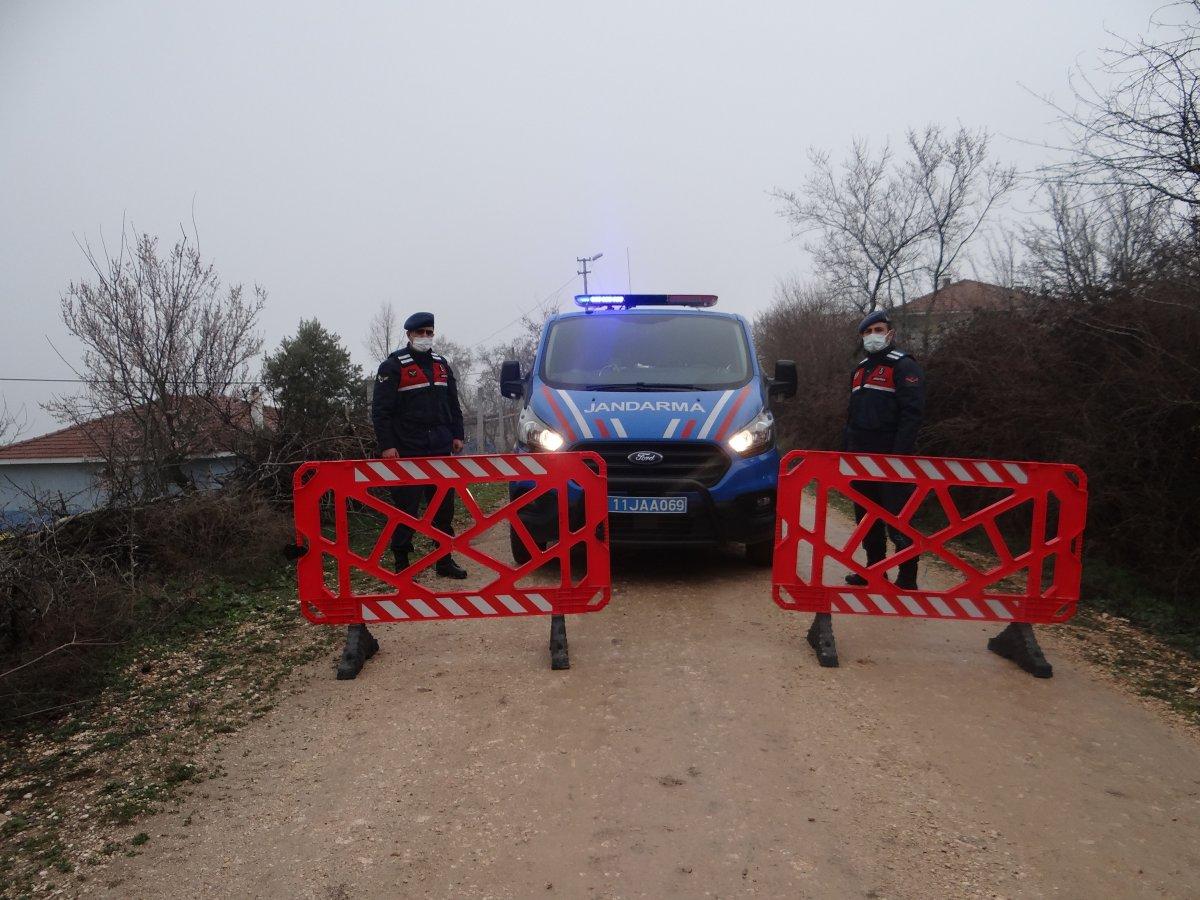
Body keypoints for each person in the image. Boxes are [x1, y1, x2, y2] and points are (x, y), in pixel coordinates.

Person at [336, 311, 468, 680]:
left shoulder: (442, 366)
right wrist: (387, 446)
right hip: (407, 450)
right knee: (407, 511)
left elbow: (453, 404)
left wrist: (457, 433)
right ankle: (403, 566)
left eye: (430, 332)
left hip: (440, 446)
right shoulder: (393, 366)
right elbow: (381, 411)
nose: (427, 336)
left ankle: (444, 560)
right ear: (409, 334)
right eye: (421, 332)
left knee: (443, 507)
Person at [808, 310, 925, 668]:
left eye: (879, 330)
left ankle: (907, 578)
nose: (874, 335)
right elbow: (853, 418)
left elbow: (912, 414)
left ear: (890, 333)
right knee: (866, 518)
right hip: (860, 458)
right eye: (868, 331)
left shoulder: (902, 365)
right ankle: (873, 569)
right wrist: (846, 456)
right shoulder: (860, 370)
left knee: (898, 519)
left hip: (890, 458)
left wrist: (898, 458)